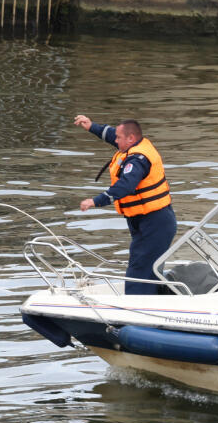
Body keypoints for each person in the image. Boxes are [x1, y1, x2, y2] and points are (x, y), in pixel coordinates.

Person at [75, 115, 177, 295]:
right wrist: (91, 126)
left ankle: (136, 309)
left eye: (118, 138)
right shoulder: (134, 143)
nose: (115, 140)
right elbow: (112, 134)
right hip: (145, 220)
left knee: (140, 268)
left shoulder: (137, 160)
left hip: (155, 222)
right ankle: (149, 301)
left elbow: (126, 186)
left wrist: (96, 201)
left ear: (130, 139)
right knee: (145, 265)